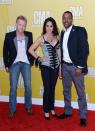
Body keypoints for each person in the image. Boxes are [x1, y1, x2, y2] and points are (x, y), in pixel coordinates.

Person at [57, 11, 89, 127]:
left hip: (76, 67)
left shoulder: (80, 30)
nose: (66, 20)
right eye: (64, 18)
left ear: (72, 19)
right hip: (65, 66)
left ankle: (83, 115)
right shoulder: (62, 32)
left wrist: (80, 67)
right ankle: (68, 111)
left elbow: (85, 50)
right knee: (66, 91)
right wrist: (61, 67)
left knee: (80, 92)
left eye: (68, 18)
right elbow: (62, 52)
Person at [29, 17, 60, 120]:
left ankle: (52, 108)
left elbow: (59, 53)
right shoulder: (41, 38)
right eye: (47, 26)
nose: (49, 28)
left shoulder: (57, 37)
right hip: (46, 67)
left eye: (51, 26)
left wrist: (60, 68)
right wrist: (39, 58)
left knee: (52, 88)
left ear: (53, 27)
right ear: (45, 26)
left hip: (56, 67)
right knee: (47, 88)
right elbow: (30, 49)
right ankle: (46, 110)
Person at [3, 16, 34, 118]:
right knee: (13, 88)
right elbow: (5, 51)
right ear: (16, 24)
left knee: (28, 86)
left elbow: (31, 49)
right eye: (20, 24)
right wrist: (7, 65)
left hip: (26, 63)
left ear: (25, 26)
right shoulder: (9, 36)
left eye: (23, 25)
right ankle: (12, 109)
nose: (21, 27)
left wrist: (31, 62)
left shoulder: (29, 35)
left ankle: (28, 106)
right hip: (14, 64)